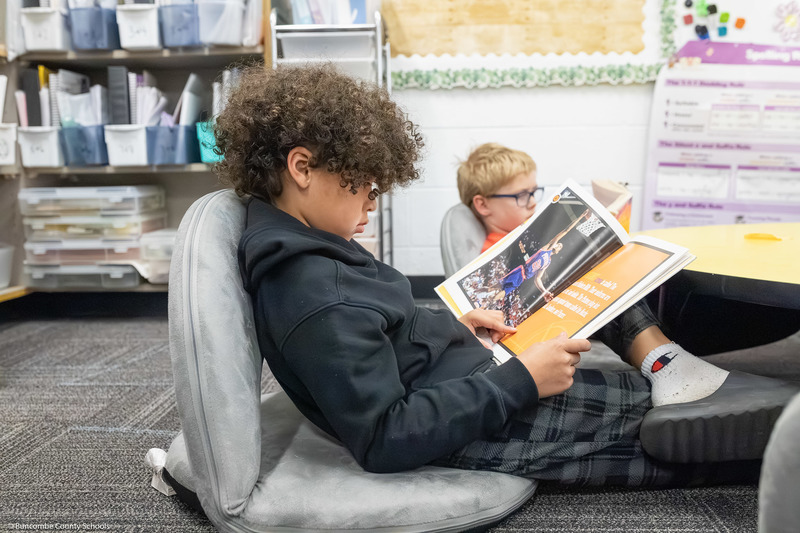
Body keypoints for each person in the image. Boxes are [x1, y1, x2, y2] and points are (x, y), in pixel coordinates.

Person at [218, 64, 780, 488]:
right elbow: (386, 438)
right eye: (362, 186)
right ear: (301, 167)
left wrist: (456, 326)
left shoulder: (313, 248)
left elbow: (384, 334)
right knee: (675, 430)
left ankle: (669, 366)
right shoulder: (314, 292)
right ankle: (773, 436)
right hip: (472, 421)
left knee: (587, 277)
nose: (370, 204)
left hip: (469, 375)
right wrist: (522, 381)